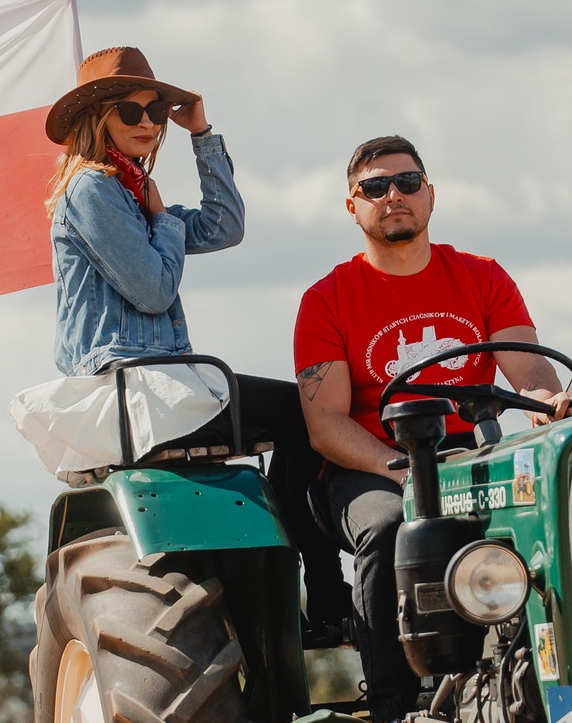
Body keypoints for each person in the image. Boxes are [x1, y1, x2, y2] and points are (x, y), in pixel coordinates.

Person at [44, 45, 348, 639]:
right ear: (97, 117)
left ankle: (302, 593)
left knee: (305, 415)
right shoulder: (93, 191)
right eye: (131, 111)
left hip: (166, 383)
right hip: (133, 384)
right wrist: (162, 221)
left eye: (156, 110)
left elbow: (225, 227)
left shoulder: (132, 194)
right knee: (302, 415)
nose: (148, 123)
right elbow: (153, 290)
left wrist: (202, 136)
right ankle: (328, 593)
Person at [295, 135, 572, 723]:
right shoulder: (327, 299)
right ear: (352, 206)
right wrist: (399, 470)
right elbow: (326, 425)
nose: (392, 196)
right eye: (374, 187)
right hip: (372, 465)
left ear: (430, 194)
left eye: (407, 183)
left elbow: (528, 372)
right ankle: (397, 716)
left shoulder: (482, 276)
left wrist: (546, 403)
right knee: (388, 527)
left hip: (469, 454)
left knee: (552, 513)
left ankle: (552, 688)